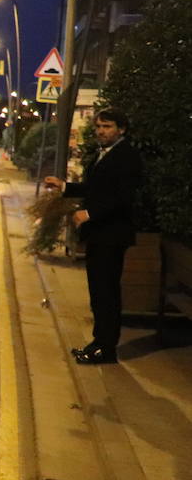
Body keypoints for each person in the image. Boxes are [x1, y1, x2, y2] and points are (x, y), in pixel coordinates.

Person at [44, 108, 143, 365]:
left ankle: (105, 348)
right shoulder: (106, 154)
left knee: (105, 292)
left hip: (111, 235)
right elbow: (96, 188)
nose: (101, 131)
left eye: (107, 126)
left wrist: (89, 213)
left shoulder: (127, 156)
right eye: (99, 126)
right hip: (101, 234)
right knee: (99, 292)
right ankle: (99, 343)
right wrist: (64, 186)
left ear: (121, 129)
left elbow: (123, 197)